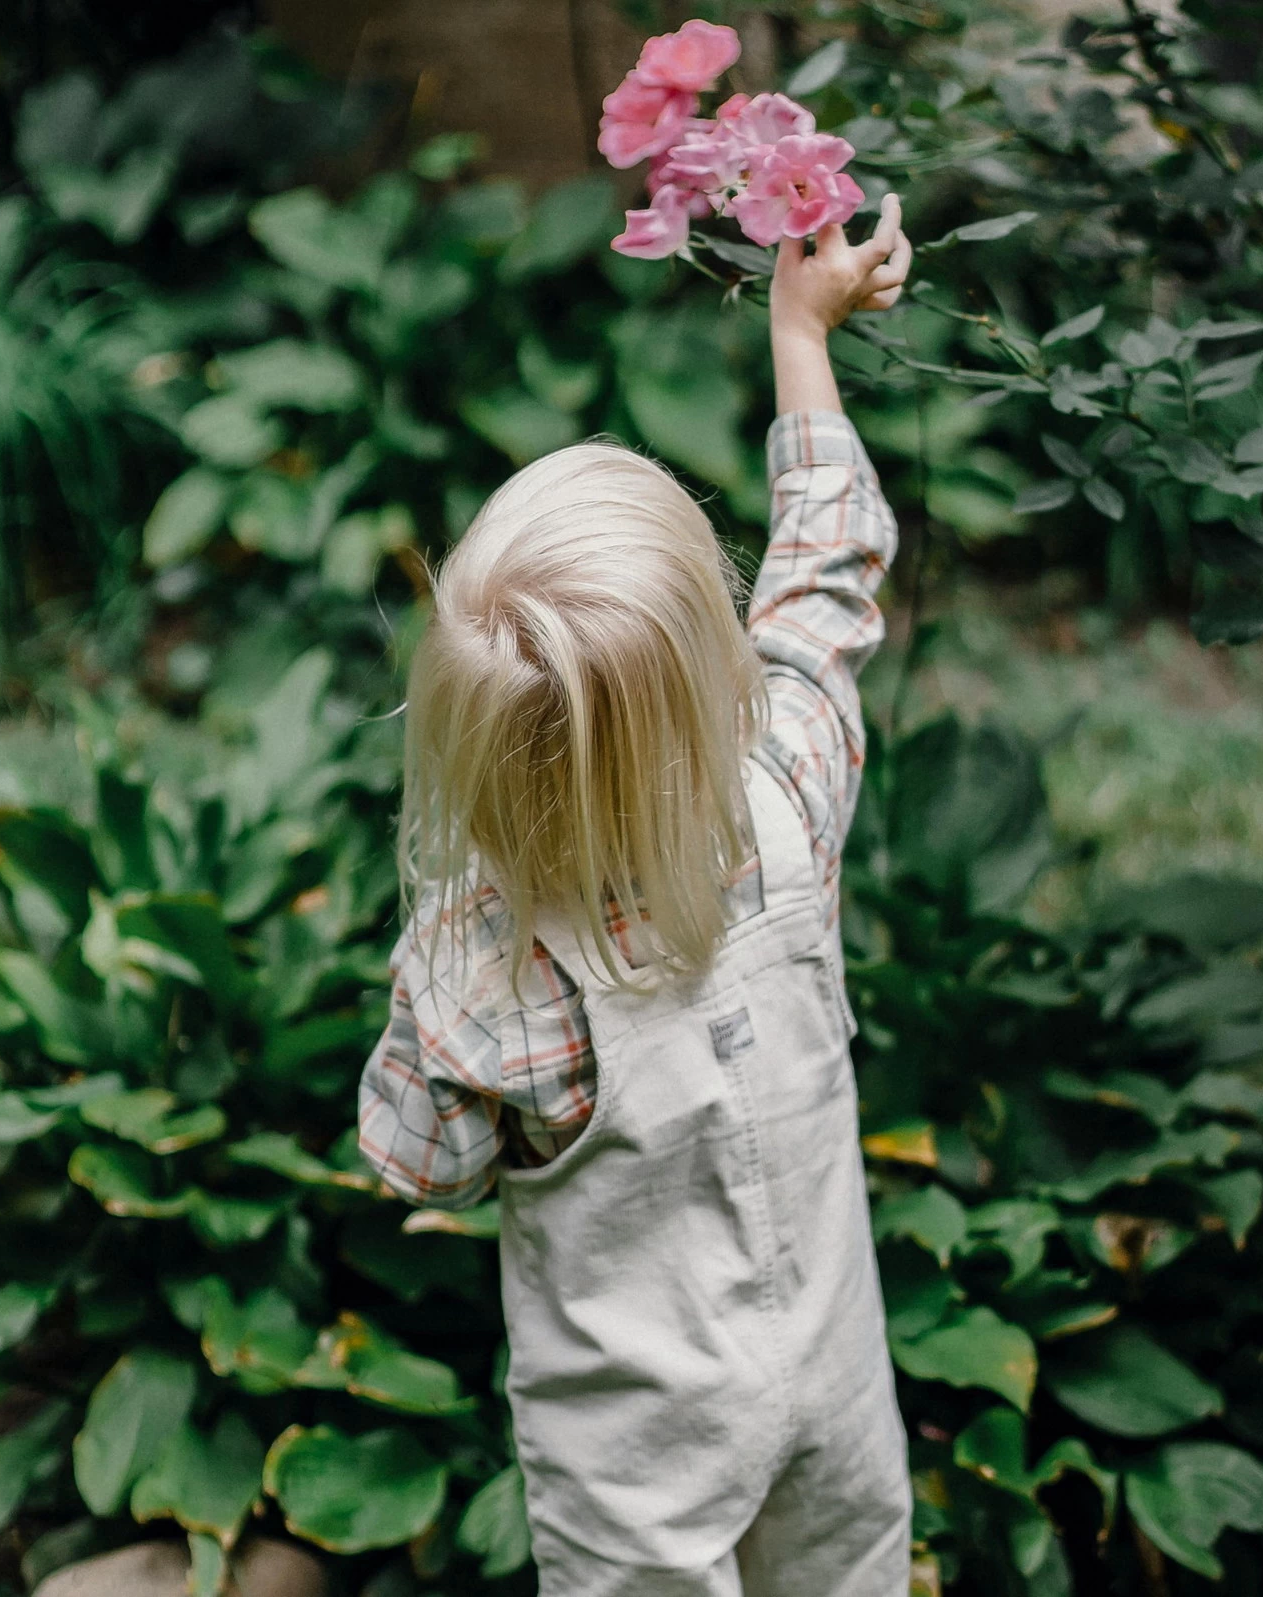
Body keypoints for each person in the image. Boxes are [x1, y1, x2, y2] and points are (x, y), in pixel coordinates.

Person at [357, 193, 916, 1597]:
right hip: (835, 1381)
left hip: (640, 1448)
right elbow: (827, 579)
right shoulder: (788, 790)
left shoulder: (480, 975)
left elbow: (418, 1161)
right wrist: (802, 328)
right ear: (716, 669)